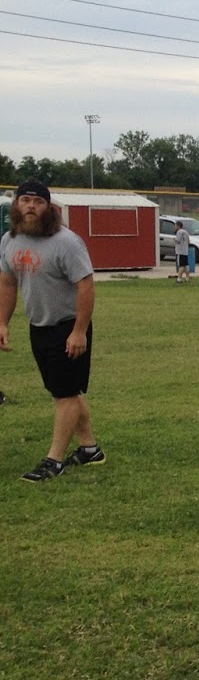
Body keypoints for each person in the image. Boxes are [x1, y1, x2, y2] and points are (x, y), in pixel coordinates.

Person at [0, 180, 106, 482]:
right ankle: (89, 449)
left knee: (64, 395)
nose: (31, 206)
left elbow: (85, 285)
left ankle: (54, 460)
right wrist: (2, 322)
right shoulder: (10, 240)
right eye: (25, 200)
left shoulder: (66, 242)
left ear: (49, 207)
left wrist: (79, 331)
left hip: (67, 326)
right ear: (16, 205)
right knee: (64, 391)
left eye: (38, 201)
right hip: (38, 326)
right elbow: (7, 282)